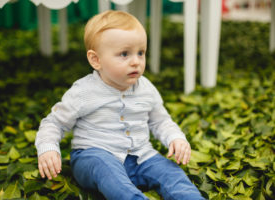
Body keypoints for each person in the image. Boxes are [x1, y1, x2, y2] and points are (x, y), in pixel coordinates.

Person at [35, 10, 204, 200]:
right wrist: (48, 147)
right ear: (95, 60)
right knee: (106, 170)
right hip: (93, 155)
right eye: (124, 54)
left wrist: (175, 138)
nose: (136, 61)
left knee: (170, 171)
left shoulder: (146, 88)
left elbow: (160, 121)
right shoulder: (83, 91)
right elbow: (54, 123)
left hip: (141, 156)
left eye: (141, 53)